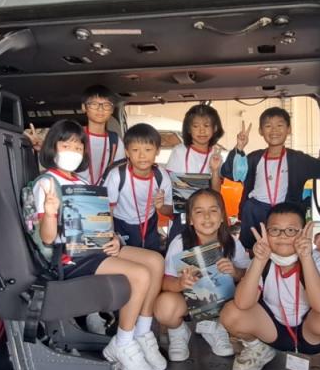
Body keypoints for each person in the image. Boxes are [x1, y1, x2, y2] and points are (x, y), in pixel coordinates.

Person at [27, 120, 166, 370]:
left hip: (93, 247)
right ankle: (122, 343)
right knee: (140, 275)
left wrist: (113, 239)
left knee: (155, 262)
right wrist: (50, 212)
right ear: (53, 147)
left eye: (78, 147)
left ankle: (142, 332)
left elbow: (98, 221)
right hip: (68, 256)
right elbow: (48, 238)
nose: (73, 151)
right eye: (66, 145)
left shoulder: (80, 181)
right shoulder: (46, 183)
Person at [218, 201, 320, 370]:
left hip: (310, 333)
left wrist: (306, 258)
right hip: (271, 332)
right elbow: (242, 303)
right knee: (230, 312)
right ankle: (258, 349)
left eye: (291, 230)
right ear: (266, 233)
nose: (282, 236)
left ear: (303, 233)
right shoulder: (262, 261)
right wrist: (259, 261)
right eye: (275, 230)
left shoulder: (318, 260)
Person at [221, 107, 320, 251]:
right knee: (254, 252)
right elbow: (229, 173)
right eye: (268, 126)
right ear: (260, 131)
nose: (274, 130)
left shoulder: (298, 160)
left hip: (287, 215)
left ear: (289, 129)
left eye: (280, 125)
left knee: (287, 252)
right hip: (256, 214)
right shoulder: (254, 158)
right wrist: (239, 148)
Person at [154, 188, 247, 361]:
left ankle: (217, 328)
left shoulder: (231, 242)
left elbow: (248, 276)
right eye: (199, 212)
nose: (207, 217)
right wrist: (180, 283)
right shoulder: (180, 243)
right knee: (164, 306)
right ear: (190, 219)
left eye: (213, 210)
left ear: (222, 216)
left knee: (246, 298)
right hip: (190, 303)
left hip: (224, 305)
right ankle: (178, 332)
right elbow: (165, 281)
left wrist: (235, 272)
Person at [104, 123, 174, 252]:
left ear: (157, 151)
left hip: (149, 224)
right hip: (121, 224)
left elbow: (169, 210)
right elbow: (106, 211)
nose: (142, 156)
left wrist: (161, 207)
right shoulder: (117, 176)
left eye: (148, 150)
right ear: (127, 152)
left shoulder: (161, 176)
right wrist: (110, 235)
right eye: (135, 150)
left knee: (154, 257)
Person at [166, 104, 226, 194]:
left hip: (206, 202)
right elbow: (167, 183)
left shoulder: (216, 156)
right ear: (188, 129)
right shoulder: (179, 151)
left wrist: (215, 171)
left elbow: (216, 193)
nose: (202, 131)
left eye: (206, 126)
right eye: (196, 126)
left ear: (215, 128)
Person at [80, 84, 121, 187]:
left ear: (112, 110)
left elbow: (119, 172)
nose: (100, 109)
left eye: (106, 105)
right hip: (76, 192)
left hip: (105, 194)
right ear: (84, 107)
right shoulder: (74, 136)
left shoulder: (115, 141)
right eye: (94, 104)